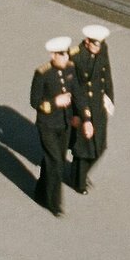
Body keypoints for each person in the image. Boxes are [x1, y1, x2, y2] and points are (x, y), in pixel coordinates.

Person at [31, 38, 81, 216]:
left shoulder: (70, 69)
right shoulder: (42, 73)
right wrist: (54, 102)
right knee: (56, 163)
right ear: (53, 55)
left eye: (67, 52)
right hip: (47, 125)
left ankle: (40, 191)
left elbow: (76, 93)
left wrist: (80, 115)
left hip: (65, 123)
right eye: (62, 54)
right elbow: (34, 101)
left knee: (52, 160)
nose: (66, 56)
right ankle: (54, 204)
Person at [70, 25, 115, 190]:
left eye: (100, 44)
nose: (99, 47)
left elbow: (106, 74)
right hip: (82, 106)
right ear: (87, 41)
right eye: (95, 44)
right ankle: (79, 182)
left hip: (98, 104)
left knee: (100, 146)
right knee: (83, 148)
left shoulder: (103, 49)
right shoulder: (76, 56)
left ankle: (78, 174)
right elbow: (72, 87)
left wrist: (110, 98)